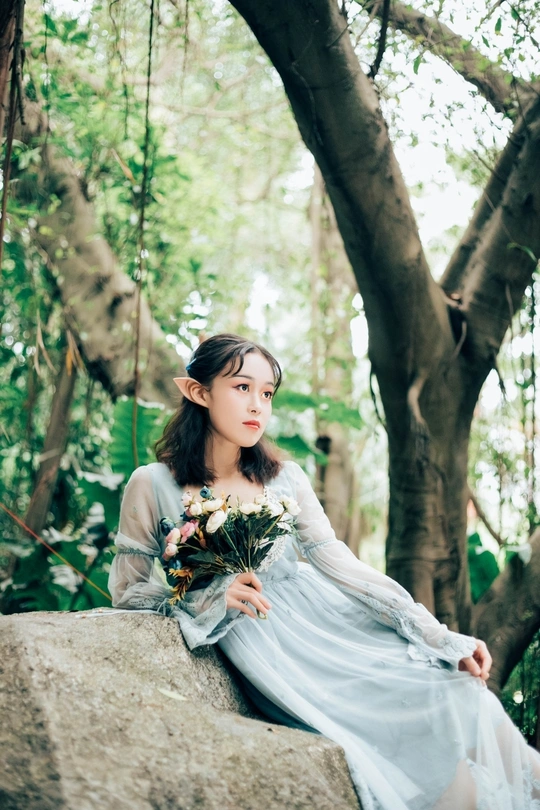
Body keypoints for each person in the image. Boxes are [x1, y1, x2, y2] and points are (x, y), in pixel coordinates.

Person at [108, 332, 540, 810]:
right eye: (242, 387)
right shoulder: (153, 484)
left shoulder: (284, 478)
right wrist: (207, 598)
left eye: (267, 393)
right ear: (198, 392)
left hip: (331, 628)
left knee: (456, 693)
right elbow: (128, 590)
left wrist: (437, 635)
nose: (257, 405)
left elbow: (341, 565)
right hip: (270, 650)